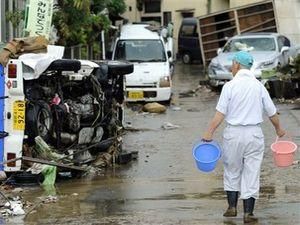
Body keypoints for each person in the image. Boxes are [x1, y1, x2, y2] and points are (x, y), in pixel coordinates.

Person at [202, 51, 285, 223]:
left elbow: (220, 114)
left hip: (233, 134)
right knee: (252, 171)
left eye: (232, 64)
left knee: (232, 169)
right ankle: (248, 213)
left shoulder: (229, 86)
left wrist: (209, 132)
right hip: (254, 133)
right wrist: (279, 130)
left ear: (238, 65)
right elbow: (272, 113)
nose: (232, 67)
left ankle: (232, 208)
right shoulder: (259, 86)